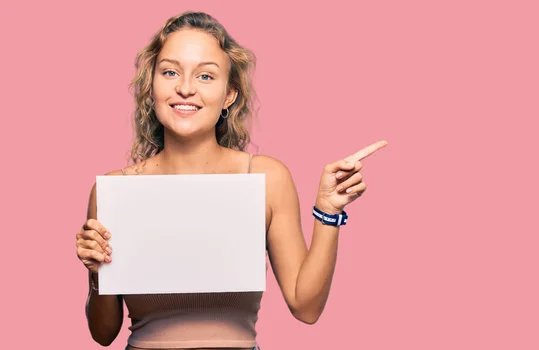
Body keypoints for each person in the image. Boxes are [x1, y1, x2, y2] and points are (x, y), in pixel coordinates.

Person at [75, 11, 387, 350]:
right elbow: (103, 333)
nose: (185, 88)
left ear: (229, 95)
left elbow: (306, 306)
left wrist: (328, 211)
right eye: (170, 72)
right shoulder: (115, 190)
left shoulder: (266, 178)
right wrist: (96, 272)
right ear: (151, 87)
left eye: (206, 76)